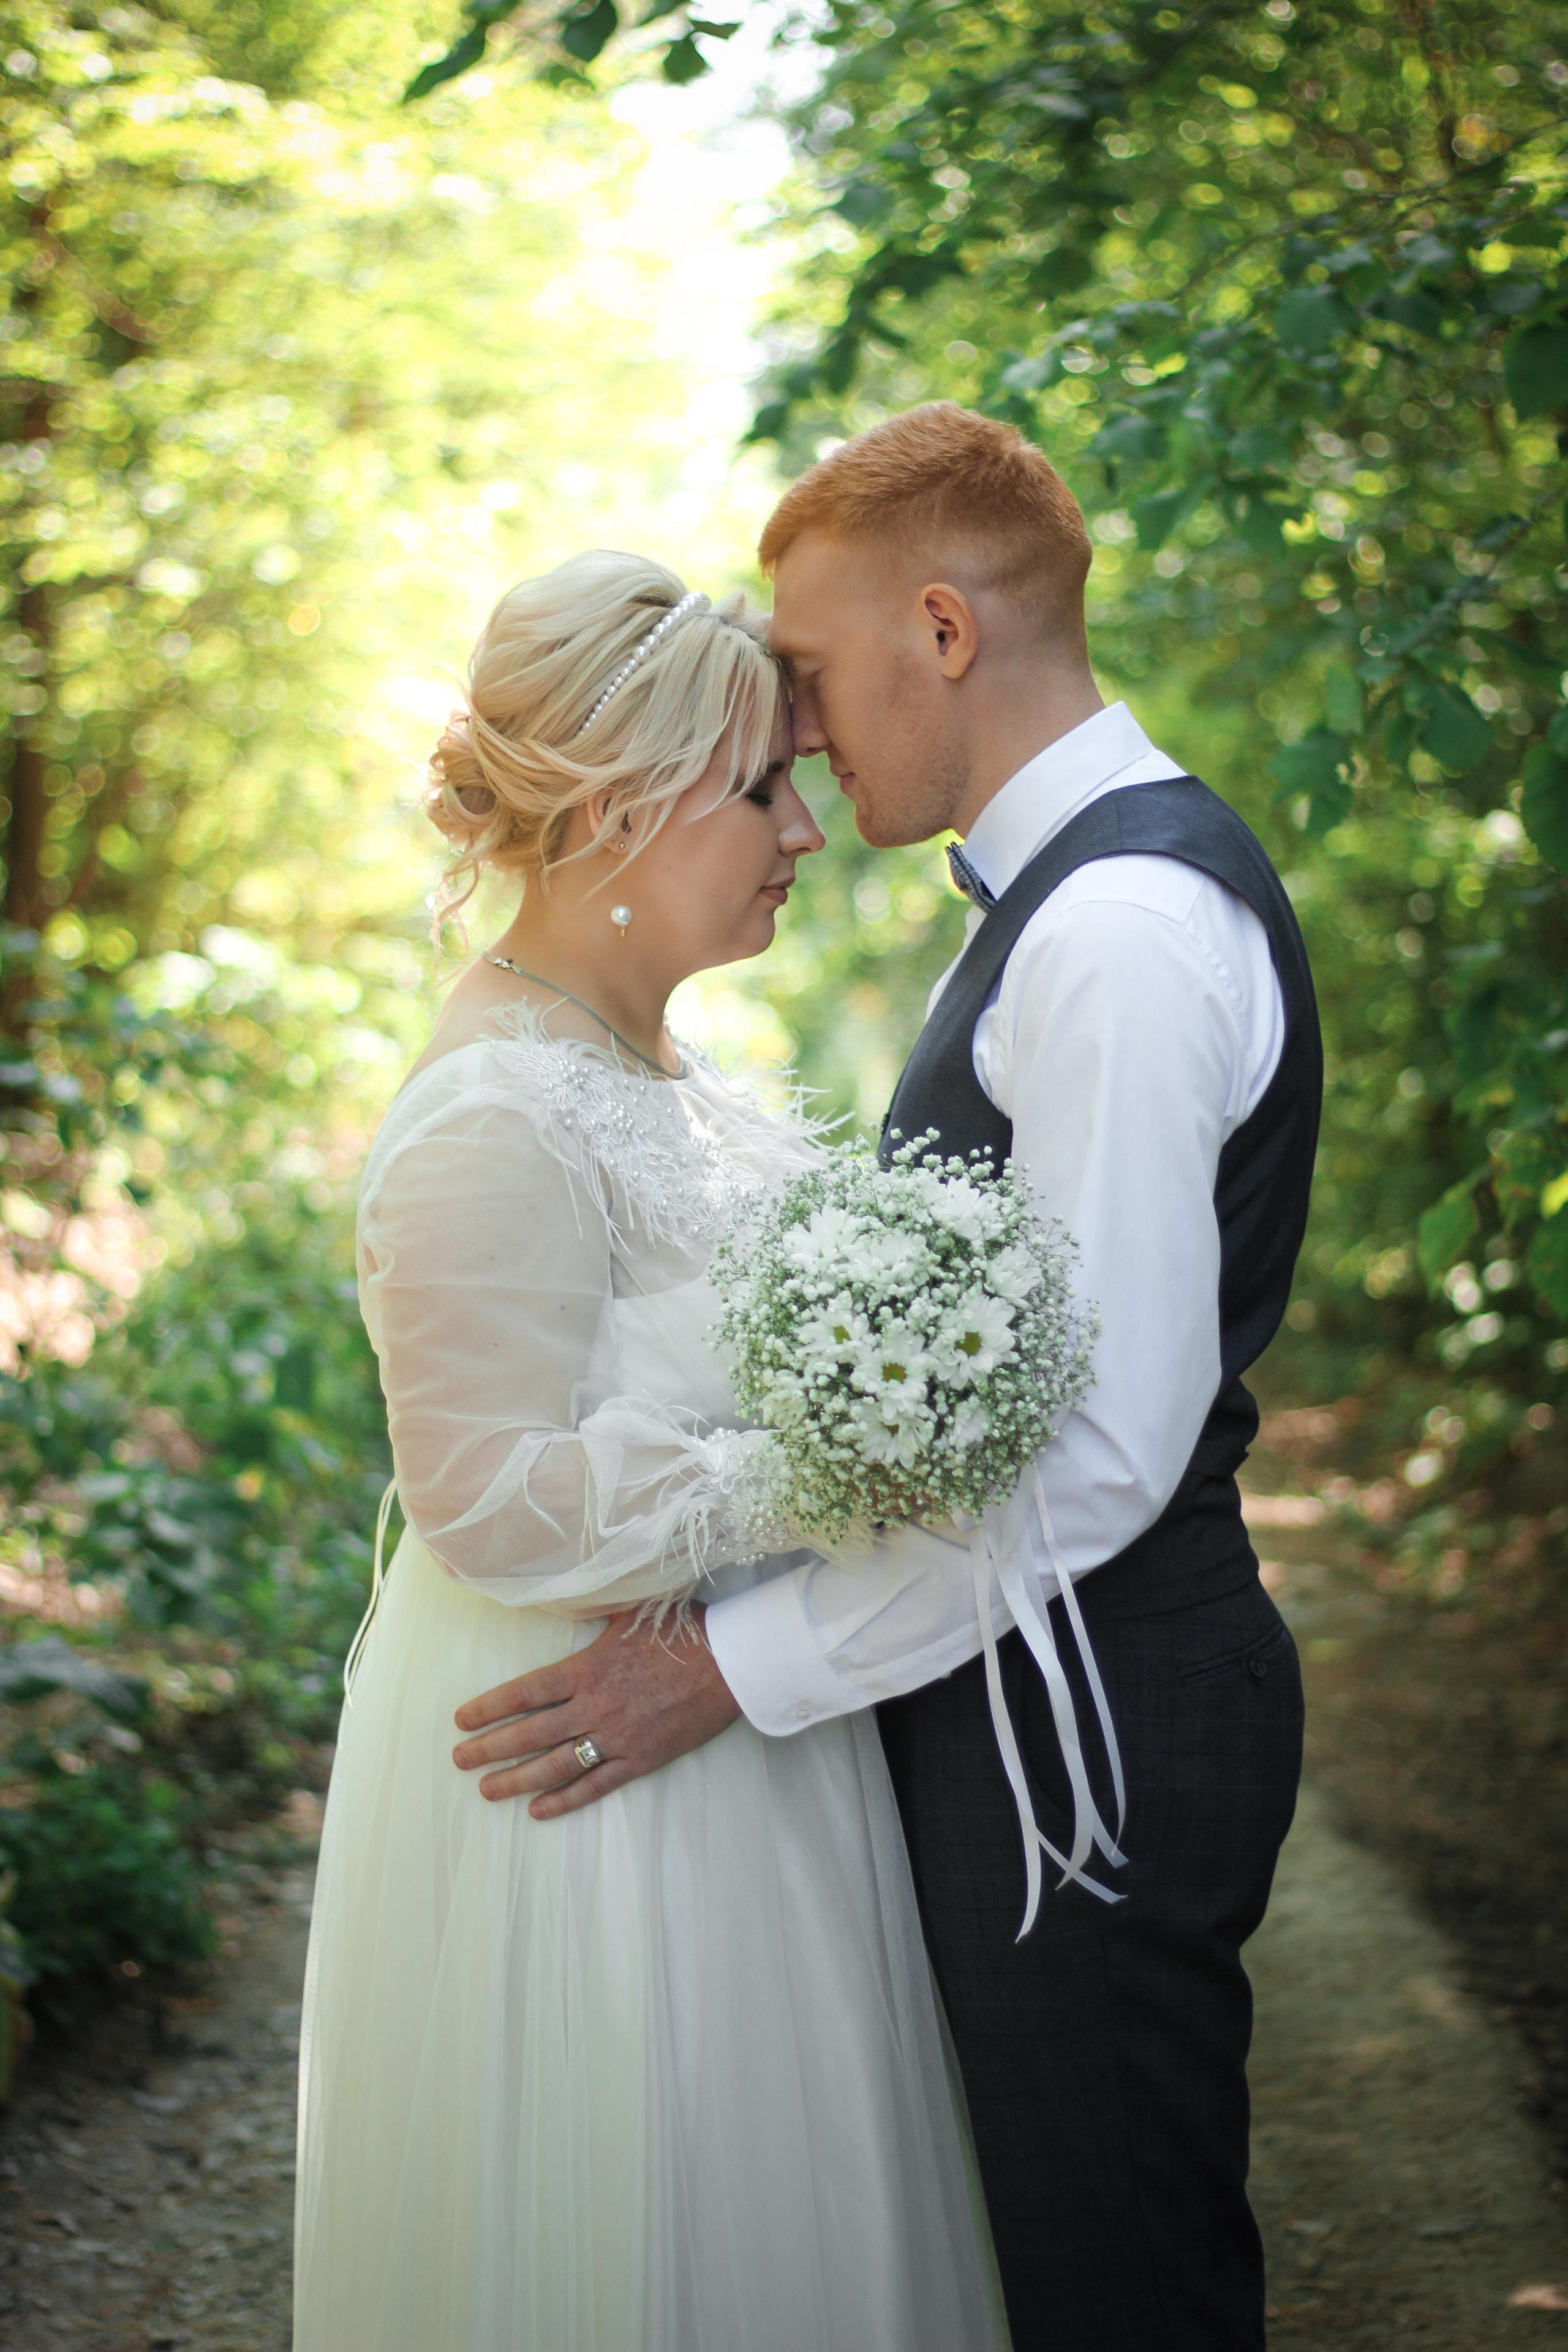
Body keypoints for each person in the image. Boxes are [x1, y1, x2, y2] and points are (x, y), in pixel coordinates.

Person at [454, 407, 1322, 2351]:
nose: (811, 735)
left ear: (942, 628)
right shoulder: (1055, 902)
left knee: (1123, 2284)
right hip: (1030, 1697)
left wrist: (722, 1672)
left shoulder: (1115, 929)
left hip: (1083, 1728)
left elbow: (1099, 1448)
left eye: (818, 675)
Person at [292, 549, 1009, 2352]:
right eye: (765, 785)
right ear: (618, 805)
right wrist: (845, 1472)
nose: (807, 828)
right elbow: (489, 1503)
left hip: (734, 1739)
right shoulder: (489, 1112)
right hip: (595, 1789)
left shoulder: (662, 1069)